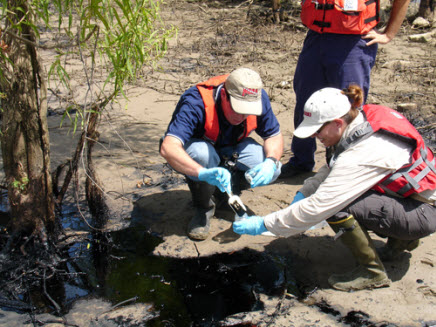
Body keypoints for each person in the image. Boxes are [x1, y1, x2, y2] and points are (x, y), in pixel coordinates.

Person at [233, 85, 436, 292]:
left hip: (422, 212)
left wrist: (265, 224)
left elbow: (319, 206)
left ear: (338, 123)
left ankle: (372, 272)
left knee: (337, 206)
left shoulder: (362, 152)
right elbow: (333, 167)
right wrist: (305, 191)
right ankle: (401, 242)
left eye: (317, 130)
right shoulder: (359, 119)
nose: (314, 136)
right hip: (414, 200)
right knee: (341, 193)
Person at [280, 0, 412, 178]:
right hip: (316, 36)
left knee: (348, 108)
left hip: (353, 40)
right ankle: (301, 161)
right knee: (306, 99)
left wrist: (389, 34)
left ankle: (343, 167)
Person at [160, 67, 284, 240]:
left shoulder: (258, 97)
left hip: (232, 148)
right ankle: (203, 208)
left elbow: (274, 136)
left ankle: (226, 197)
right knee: (202, 155)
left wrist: (270, 162)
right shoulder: (196, 101)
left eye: (248, 111)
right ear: (225, 96)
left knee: (273, 166)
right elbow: (168, 147)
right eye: (238, 109)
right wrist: (202, 172)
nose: (242, 116)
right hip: (201, 150)